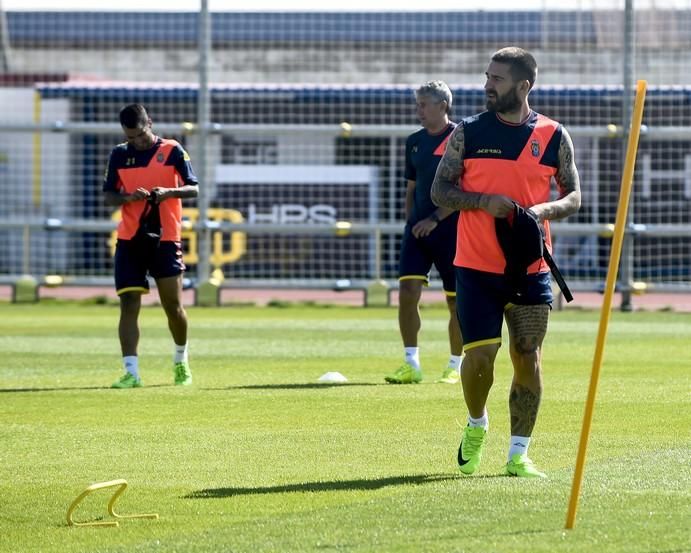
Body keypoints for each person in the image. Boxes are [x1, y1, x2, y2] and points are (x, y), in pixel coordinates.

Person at [431, 47, 581, 477]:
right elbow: (441, 192)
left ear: (523, 85)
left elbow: (573, 194)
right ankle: (477, 423)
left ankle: (518, 454)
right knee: (480, 361)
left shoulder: (554, 135)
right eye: (487, 76)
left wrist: (543, 211)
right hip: (475, 267)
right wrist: (482, 201)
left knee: (527, 354)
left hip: (531, 268)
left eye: (496, 78)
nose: (487, 85)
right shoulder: (468, 132)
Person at [104, 103, 199, 388]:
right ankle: (131, 372)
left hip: (166, 239)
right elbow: (109, 195)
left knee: (173, 305)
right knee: (129, 302)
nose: (136, 141)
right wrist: (129, 197)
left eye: (140, 134)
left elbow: (193, 188)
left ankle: (181, 360)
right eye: (130, 136)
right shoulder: (119, 155)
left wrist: (168, 192)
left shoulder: (172, 150)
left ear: (150, 123)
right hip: (130, 240)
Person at [385, 80, 464, 385]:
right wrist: (411, 222)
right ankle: (411, 364)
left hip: (452, 232)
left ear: (443, 106)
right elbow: (412, 188)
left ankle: (455, 365)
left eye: (423, 104)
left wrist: (435, 218)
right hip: (417, 232)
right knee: (407, 293)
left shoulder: (461, 138)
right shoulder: (414, 142)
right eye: (417, 103)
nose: (417, 109)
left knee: (456, 302)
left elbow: (464, 190)